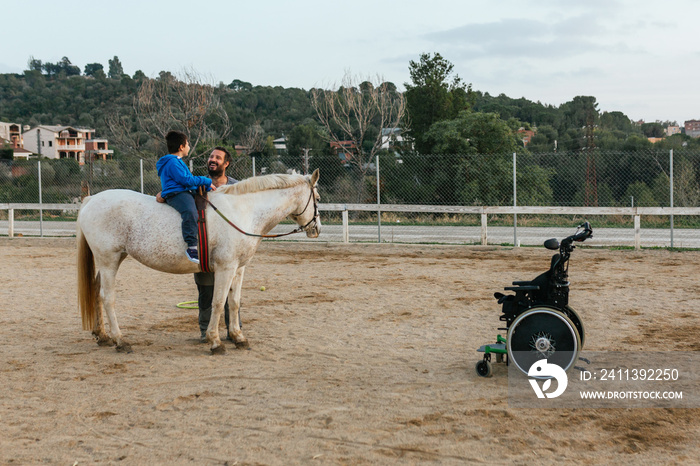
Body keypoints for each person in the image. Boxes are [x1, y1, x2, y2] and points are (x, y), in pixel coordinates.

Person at [157, 146, 238, 342]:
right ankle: (205, 331)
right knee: (205, 292)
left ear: (226, 164)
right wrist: (163, 194)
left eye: (218, 158)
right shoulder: (197, 184)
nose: (213, 160)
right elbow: (179, 196)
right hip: (205, 247)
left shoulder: (236, 187)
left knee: (231, 290)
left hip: (228, 248)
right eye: (211, 156)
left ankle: (233, 329)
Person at [156, 131, 216, 264]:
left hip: (182, 190)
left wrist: (205, 187)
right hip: (176, 194)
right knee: (190, 211)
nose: (189, 146)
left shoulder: (177, 161)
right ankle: (192, 246)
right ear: (181, 147)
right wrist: (205, 181)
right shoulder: (172, 162)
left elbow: (188, 182)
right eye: (187, 144)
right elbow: (186, 180)